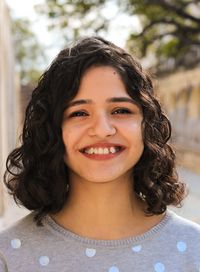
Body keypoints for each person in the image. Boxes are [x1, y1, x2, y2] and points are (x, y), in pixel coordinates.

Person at [0, 36, 199, 272]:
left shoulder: (193, 249)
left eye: (121, 110)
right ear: (52, 129)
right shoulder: (9, 256)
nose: (103, 130)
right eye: (79, 113)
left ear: (147, 125)